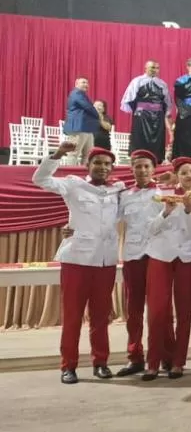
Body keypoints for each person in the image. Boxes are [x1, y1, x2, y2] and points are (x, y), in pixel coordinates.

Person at [32, 142, 123, 384]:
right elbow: (41, 179)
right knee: (72, 316)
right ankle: (68, 365)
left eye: (107, 164)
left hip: (105, 262)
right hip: (77, 260)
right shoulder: (73, 185)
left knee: (101, 316)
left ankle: (101, 362)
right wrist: (58, 155)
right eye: (98, 163)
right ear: (87, 165)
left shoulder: (117, 193)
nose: (103, 167)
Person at [144, 156, 191, 380]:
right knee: (157, 312)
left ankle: (179, 361)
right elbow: (150, 229)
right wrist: (166, 212)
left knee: (185, 312)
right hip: (160, 256)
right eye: (184, 172)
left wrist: (189, 210)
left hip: (187, 259)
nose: (189, 176)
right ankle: (153, 362)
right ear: (177, 176)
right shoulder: (160, 196)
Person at [114, 149, 161, 377]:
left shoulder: (164, 192)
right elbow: (107, 218)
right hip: (133, 256)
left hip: (157, 256)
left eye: (146, 166)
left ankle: (159, 358)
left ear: (154, 170)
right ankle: (135, 357)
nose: (142, 170)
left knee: (158, 311)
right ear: (131, 169)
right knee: (133, 310)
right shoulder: (123, 195)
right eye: (138, 166)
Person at [121, 60, 174, 162]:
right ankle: (138, 158)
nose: (155, 70)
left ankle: (156, 160)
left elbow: (167, 102)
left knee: (157, 140)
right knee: (140, 138)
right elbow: (129, 98)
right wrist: (138, 110)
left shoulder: (162, 84)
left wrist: (165, 113)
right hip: (142, 115)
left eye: (157, 68)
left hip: (157, 116)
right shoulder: (137, 81)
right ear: (146, 68)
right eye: (152, 67)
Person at [65, 78, 100, 165]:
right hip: (78, 127)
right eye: (83, 82)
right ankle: (69, 174)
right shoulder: (76, 93)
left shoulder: (82, 95)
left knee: (88, 155)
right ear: (76, 84)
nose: (86, 84)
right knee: (74, 153)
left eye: (87, 83)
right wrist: (97, 114)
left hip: (86, 128)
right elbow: (88, 107)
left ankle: (84, 174)